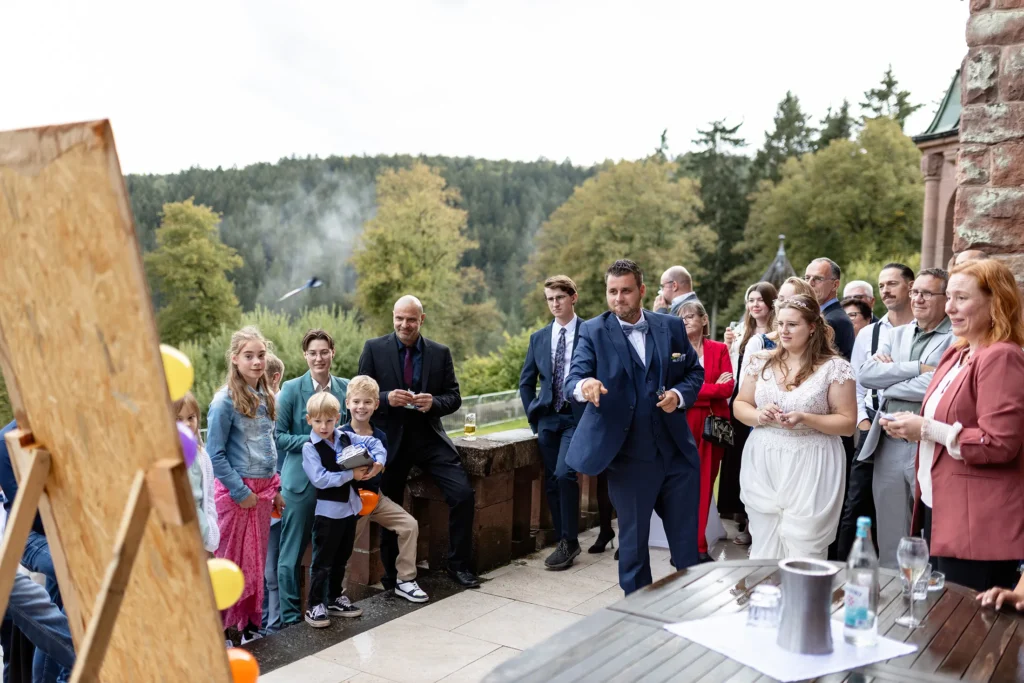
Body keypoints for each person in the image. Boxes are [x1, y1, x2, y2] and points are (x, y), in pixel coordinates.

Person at [884, 259, 1024, 593]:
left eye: (961, 298)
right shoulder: (957, 352)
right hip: (941, 509)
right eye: (948, 297)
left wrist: (928, 429)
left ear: (997, 301)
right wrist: (913, 426)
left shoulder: (1002, 356)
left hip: (978, 525)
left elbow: (1000, 443)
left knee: (970, 635)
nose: (949, 308)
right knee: (941, 627)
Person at [565, 259, 703, 594]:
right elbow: (575, 376)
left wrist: (677, 394)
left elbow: (693, 373)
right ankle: (637, 613)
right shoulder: (594, 330)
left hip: (676, 454)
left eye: (626, 291)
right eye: (612, 292)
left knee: (688, 547)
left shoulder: (669, 327)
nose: (618, 299)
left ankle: (693, 607)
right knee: (633, 546)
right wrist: (585, 386)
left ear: (641, 290)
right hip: (629, 457)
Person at [358, 295, 480, 588]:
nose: (404, 324)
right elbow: (358, 393)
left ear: (421, 320)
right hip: (390, 440)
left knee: (462, 494)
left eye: (411, 319)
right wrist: (386, 398)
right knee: (388, 504)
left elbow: (454, 397)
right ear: (393, 317)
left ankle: (458, 565)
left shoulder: (440, 352)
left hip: (429, 438)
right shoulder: (374, 349)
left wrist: (434, 402)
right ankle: (391, 576)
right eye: (399, 318)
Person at [733, 294, 856, 560]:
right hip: (764, 459)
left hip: (813, 461)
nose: (783, 331)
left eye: (792, 325)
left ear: (812, 326)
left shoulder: (835, 368)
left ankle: (804, 598)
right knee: (765, 538)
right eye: (781, 324)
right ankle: (764, 596)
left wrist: (805, 417)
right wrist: (758, 414)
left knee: (804, 546)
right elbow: (740, 404)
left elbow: (847, 424)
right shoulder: (760, 361)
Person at [857, 268, 953, 568]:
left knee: (931, 532)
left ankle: (930, 603)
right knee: (888, 533)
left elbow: (940, 383)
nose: (918, 299)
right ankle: (890, 602)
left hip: (930, 443)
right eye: (915, 292)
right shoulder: (894, 334)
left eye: (927, 293)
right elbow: (867, 375)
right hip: (888, 443)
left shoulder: (955, 338)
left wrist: (891, 379)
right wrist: (918, 367)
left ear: (945, 299)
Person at [207, 326, 285, 644]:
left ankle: (247, 627)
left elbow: (269, 448)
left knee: (255, 564)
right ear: (235, 359)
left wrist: (274, 491)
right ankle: (223, 632)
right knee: (232, 563)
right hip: (238, 495)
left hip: (262, 495)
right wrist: (241, 493)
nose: (256, 362)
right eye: (249, 356)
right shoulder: (224, 402)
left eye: (261, 356)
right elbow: (215, 453)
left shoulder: (266, 396)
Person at [836, 262, 915, 559]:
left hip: (907, 425)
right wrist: (863, 421)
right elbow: (858, 381)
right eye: (881, 285)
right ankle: (843, 574)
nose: (885, 290)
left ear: (910, 286)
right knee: (855, 504)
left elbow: (920, 379)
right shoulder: (869, 333)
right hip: (870, 426)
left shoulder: (921, 332)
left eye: (892, 283)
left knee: (903, 508)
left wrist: (889, 372)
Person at [274, 329, 349, 626]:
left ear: (332, 352)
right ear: (305, 356)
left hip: (335, 483)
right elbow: (278, 436)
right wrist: (312, 441)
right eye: (313, 353)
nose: (319, 357)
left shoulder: (344, 388)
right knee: (290, 554)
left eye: (324, 351)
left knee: (328, 549)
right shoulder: (291, 390)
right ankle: (291, 618)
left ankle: (321, 604)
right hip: (300, 483)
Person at [519, 275, 588, 569]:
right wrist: (535, 419)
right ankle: (564, 540)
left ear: (573, 297)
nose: (554, 304)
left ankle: (570, 540)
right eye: (550, 299)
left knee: (564, 474)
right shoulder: (538, 338)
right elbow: (525, 382)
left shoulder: (590, 332)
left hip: (576, 417)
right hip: (548, 419)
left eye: (559, 297)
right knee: (550, 481)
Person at [341, 376, 428, 603]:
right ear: (347, 402)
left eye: (367, 402)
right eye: (357, 402)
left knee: (409, 525)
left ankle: (406, 580)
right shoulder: (339, 435)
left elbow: (382, 465)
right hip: (350, 501)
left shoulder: (380, 436)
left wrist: (378, 466)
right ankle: (337, 595)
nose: (362, 407)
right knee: (344, 547)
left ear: (376, 405)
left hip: (376, 499)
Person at [302, 392, 385, 627]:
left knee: (342, 558)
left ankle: (334, 598)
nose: (324, 426)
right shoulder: (310, 448)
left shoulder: (346, 437)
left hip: (350, 509)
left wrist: (378, 461)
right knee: (322, 562)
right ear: (309, 420)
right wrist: (351, 474)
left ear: (338, 418)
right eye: (318, 421)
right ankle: (315, 605)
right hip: (328, 514)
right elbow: (320, 479)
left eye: (329, 421)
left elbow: (374, 442)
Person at [0, 422, 72, 683]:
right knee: (70, 576)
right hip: (31, 536)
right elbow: (27, 511)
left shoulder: (65, 428)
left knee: (42, 618)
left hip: (65, 536)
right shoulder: (9, 439)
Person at [719, 282, 778, 547]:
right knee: (738, 465)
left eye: (760, 300)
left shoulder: (779, 333)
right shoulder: (742, 332)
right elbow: (732, 368)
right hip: (741, 403)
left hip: (764, 404)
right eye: (751, 300)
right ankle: (742, 518)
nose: (755, 305)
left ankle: (756, 525)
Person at [678, 300, 733, 563]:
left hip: (712, 426)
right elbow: (670, 390)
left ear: (703, 320)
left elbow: (728, 388)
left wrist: (692, 392)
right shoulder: (674, 350)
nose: (686, 320)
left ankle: (698, 547)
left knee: (703, 486)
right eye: (682, 317)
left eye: (690, 316)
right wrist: (710, 388)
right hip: (681, 423)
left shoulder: (719, 349)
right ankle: (682, 545)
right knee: (680, 488)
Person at [174, 393, 220, 554]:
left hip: (200, 533)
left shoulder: (202, 456)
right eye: (178, 419)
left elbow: (208, 497)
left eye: (190, 418)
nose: (186, 424)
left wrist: (210, 528)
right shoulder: (164, 456)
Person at [262, 351, 284, 634]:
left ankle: (272, 625)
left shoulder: (278, 407)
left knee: (271, 570)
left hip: (276, 497)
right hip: (258, 498)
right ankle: (264, 622)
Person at [804, 258, 856, 360]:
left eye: (818, 278)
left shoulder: (834, 320)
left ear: (835, 285)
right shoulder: (823, 315)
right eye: (807, 278)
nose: (810, 283)